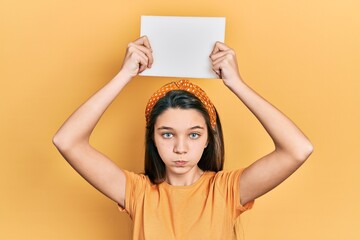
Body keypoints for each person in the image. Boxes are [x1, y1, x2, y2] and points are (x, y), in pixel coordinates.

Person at [53, 36, 313, 239]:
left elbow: (298, 149)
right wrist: (124, 75)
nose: (180, 148)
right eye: (167, 134)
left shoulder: (226, 190)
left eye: (194, 134)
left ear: (208, 139)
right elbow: (67, 141)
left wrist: (237, 83)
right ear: (152, 138)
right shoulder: (137, 192)